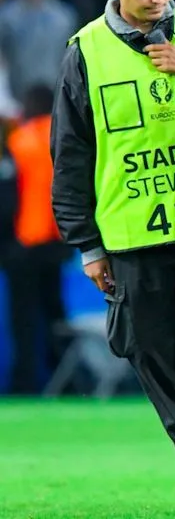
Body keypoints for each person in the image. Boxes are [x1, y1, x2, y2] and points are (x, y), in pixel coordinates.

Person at [50, 0, 175, 516]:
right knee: (160, 364)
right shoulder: (85, 52)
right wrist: (87, 245)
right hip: (134, 238)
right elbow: (71, 154)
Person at [5, 84, 69, 395]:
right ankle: (65, 380)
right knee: (55, 313)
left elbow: (9, 196)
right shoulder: (62, 136)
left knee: (24, 318)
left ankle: (26, 381)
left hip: (25, 242)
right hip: (58, 241)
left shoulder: (19, 141)